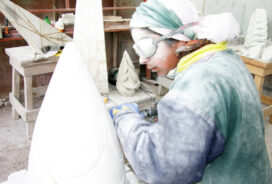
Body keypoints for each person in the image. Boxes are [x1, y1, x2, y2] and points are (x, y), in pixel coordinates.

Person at [109, 0, 272, 183]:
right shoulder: (225, 57)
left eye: (146, 47)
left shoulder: (199, 84)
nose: (142, 59)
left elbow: (163, 167)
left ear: (179, 39)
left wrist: (125, 119)